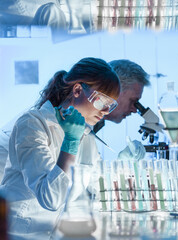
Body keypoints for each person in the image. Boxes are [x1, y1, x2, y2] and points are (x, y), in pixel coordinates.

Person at [0, 57, 120, 236]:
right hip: (22, 234)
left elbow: (100, 190)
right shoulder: (32, 124)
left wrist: (123, 171)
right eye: (101, 101)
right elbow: (51, 199)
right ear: (78, 90)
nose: (104, 111)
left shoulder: (86, 136)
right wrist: (70, 143)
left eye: (110, 106)